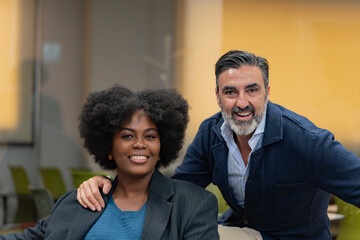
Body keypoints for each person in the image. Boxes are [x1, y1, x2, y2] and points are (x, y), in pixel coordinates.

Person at [77, 50, 360, 239]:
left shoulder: (307, 142)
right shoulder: (211, 134)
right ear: (217, 95)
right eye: (230, 92)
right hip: (239, 231)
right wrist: (111, 183)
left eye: (252, 90)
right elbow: (175, 192)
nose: (242, 103)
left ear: (268, 92)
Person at [1, 85, 219, 240]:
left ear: (162, 148)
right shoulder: (78, 201)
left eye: (150, 136)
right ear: (109, 148)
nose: (140, 144)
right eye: (127, 136)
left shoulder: (194, 204)